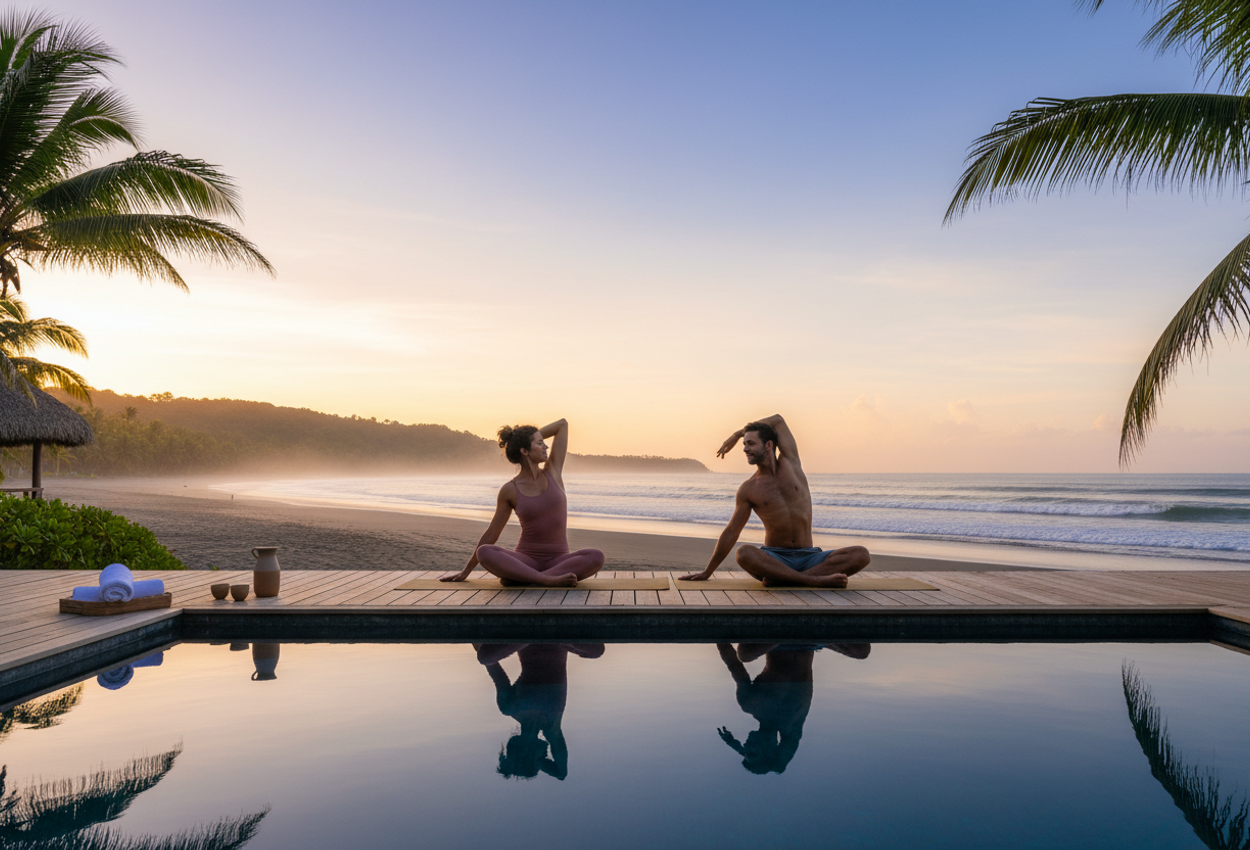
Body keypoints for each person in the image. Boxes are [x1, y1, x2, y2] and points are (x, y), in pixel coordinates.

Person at [679, 414, 870, 587]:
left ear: (768, 445)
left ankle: (785, 579)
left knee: (861, 554)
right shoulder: (748, 489)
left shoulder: (791, 464)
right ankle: (812, 580)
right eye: (744, 444)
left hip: (810, 556)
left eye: (751, 443)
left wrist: (737, 434)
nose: (745, 448)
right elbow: (731, 532)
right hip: (774, 558)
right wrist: (707, 572)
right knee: (744, 553)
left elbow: (778, 419)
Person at [440, 418, 604, 587]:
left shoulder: (553, 471)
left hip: (559, 560)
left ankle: (523, 578)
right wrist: (466, 571)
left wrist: (524, 438)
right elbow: (492, 533)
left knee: (596, 556)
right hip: (525, 560)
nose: (545, 446)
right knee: (485, 552)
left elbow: (562, 425)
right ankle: (545, 580)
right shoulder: (510, 489)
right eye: (540, 443)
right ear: (525, 451)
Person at [714, 642, 870, 774]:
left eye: (747, 750)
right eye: (752, 751)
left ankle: (786, 634)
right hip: (810, 643)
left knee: (745, 655)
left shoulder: (749, 704)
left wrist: (739, 748)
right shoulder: (792, 725)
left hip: (778, 643)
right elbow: (780, 766)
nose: (747, 745)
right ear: (771, 750)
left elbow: (733, 664)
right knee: (862, 652)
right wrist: (740, 749)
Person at [475, 642, 606, 780]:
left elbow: (490, 663)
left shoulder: (511, 708)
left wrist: (534, 762)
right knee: (597, 650)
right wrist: (537, 762)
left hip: (527, 639)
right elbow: (561, 773)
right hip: (558, 640)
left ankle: (532, 635)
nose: (546, 753)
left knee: (485, 658)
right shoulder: (550, 727)